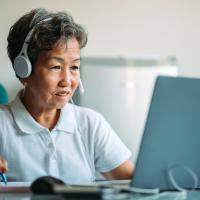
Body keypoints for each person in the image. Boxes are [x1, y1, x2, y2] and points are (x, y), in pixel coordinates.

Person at [0, 8, 134, 183]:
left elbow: (138, 185)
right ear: (23, 70)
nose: (67, 81)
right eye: (56, 67)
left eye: (74, 67)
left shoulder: (90, 123)